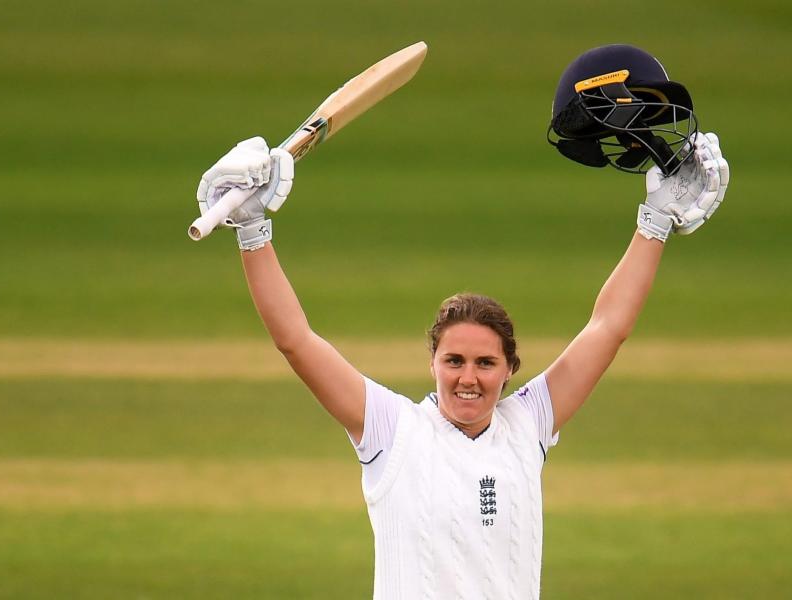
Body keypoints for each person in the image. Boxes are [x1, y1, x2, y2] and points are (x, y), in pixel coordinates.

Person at [194, 44, 729, 600]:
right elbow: (295, 341)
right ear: (432, 363)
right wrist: (252, 231)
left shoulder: (527, 426)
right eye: (454, 360)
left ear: (509, 370)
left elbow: (607, 328)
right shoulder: (392, 431)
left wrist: (656, 223)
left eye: (484, 363)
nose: (468, 377)